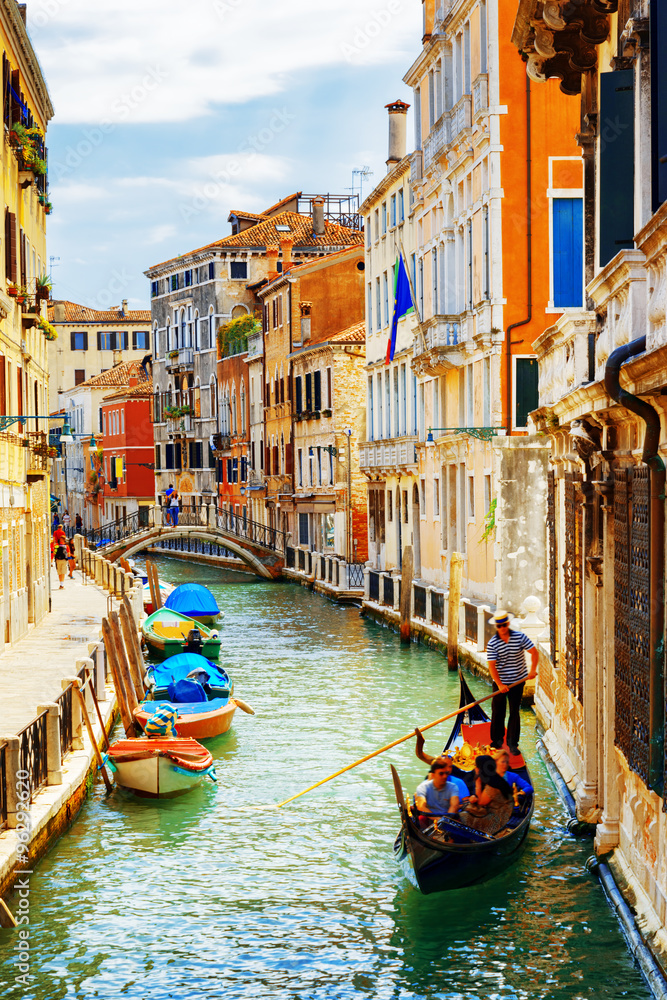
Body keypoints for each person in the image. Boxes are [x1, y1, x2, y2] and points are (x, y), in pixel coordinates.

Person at [486, 610, 538, 755]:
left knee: (514, 712)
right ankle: (496, 741)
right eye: (499, 626)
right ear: (496, 626)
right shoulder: (493, 643)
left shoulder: (520, 637)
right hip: (500, 682)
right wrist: (500, 684)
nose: (502, 628)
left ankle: (512, 744)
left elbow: (534, 653)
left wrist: (532, 670)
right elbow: (492, 666)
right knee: (498, 712)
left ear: (508, 624)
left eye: (504, 625)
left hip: (518, 681)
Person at [458, 754, 513, 835]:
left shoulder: (492, 787)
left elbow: (481, 803)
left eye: (476, 766)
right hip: (500, 812)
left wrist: (478, 783)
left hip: (498, 819)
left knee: (463, 816)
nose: (475, 768)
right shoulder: (495, 779)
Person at [413, 729, 470, 801]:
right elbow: (420, 754)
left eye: (448, 767)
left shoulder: (457, 783)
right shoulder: (428, 783)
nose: (446, 769)